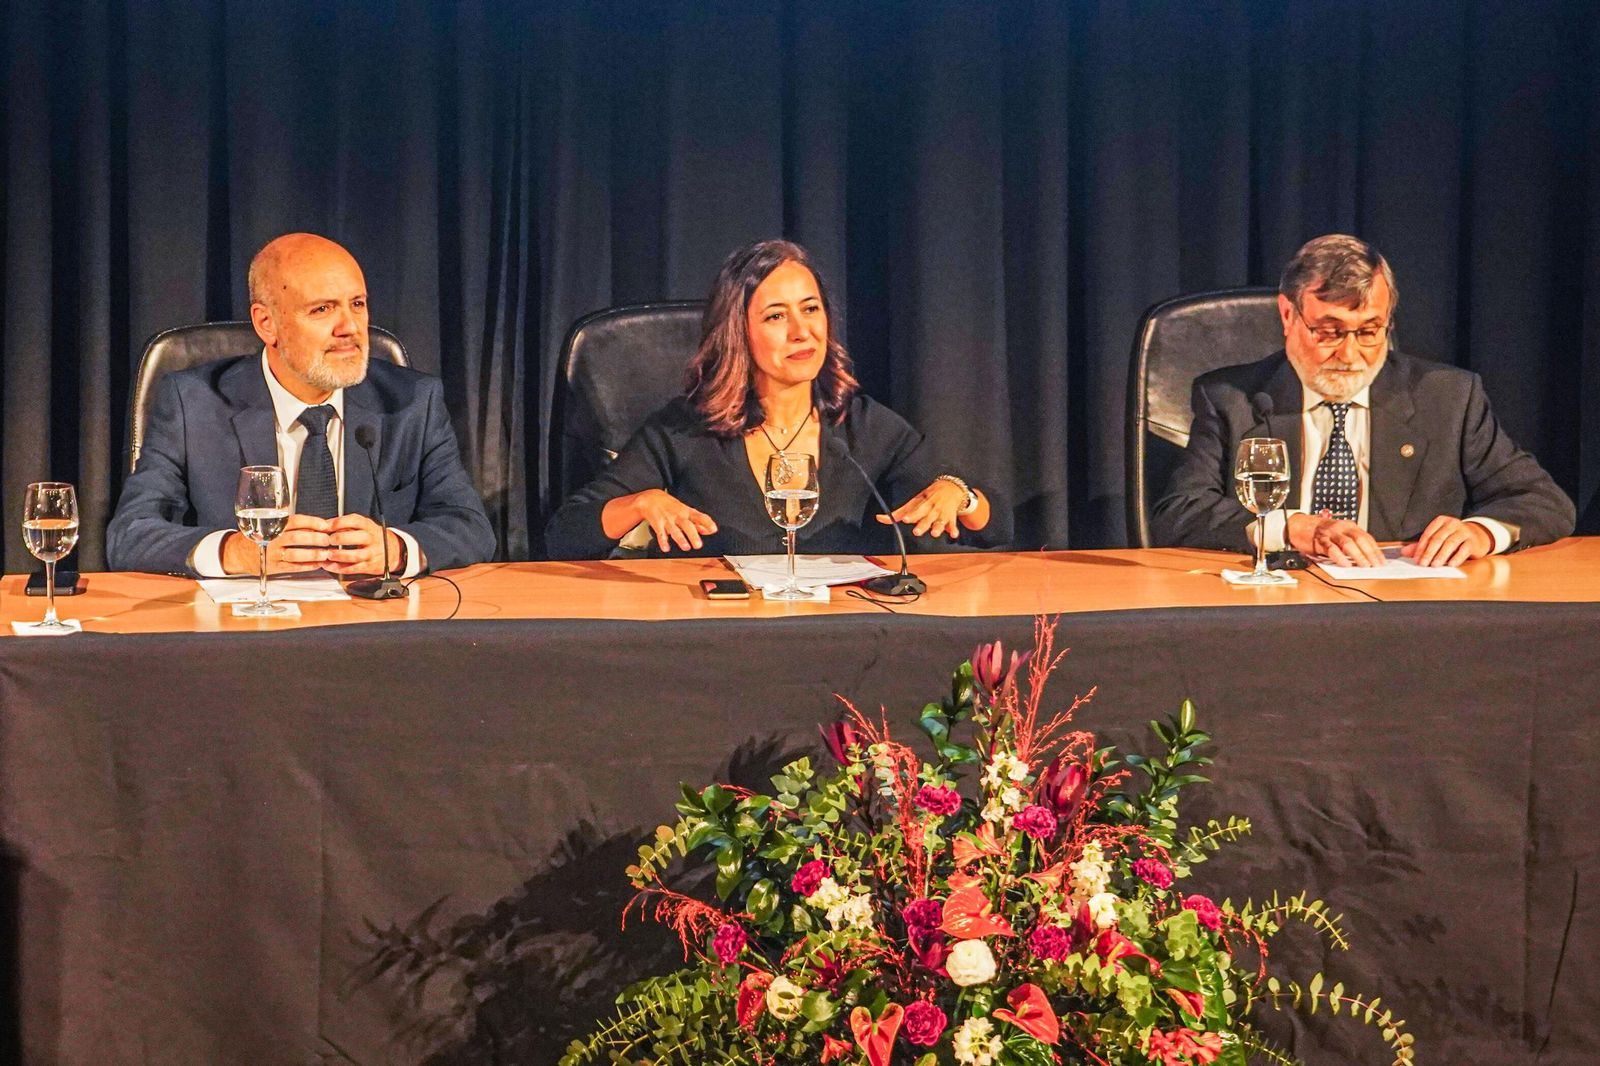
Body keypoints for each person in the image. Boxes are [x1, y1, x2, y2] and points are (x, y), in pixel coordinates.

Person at [545, 239, 1009, 559]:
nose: (801, 331)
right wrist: (640, 504)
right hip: (721, 648)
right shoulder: (687, 430)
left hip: (845, 646)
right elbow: (565, 535)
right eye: (775, 316)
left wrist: (960, 495)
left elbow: (997, 526)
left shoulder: (863, 427)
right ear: (739, 334)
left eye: (810, 309)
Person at [1152, 234, 1574, 565]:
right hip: (1275, 609)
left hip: (1408, 610)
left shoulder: (1448, 398)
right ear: (1287, 315)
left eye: (1370, 331)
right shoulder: (1232, 399)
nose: (1350, 354)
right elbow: (1179, 513)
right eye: (1330, 331)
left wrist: (1483, 532)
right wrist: (1290, 528)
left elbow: (1545, 502)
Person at [107, 232, 496, 576]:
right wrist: (236, 553)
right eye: (322, 309)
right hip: (240, 633)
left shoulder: (413, 402)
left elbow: (470, 527)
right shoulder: (193, 403)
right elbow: (130, 534)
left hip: (370, 628)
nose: (349, 328)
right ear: (266, 324)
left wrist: (395, 548)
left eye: (357, 304)